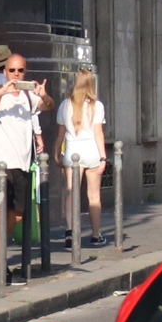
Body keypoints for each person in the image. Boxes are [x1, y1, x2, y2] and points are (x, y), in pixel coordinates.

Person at [0, 51, 48, 283]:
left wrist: (44, 96)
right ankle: (0, 270)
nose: (16, 74)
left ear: (26, 71)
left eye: (20, 70)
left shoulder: (28, 96)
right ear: (5, 72)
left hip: (21, 165)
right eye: (12, 70)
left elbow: (48, 106)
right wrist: (1, 91)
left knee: (16, 214)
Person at [57, 67, 108, 247]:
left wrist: (57, 153)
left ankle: (70, 232)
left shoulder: (65, 105)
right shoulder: (97, 105)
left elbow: (60, 134)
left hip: (72, 151)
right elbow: (98, 133)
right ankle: (95, 234)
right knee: (94, 196)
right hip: (92, 150)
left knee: (71, 194)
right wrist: (103, 157)